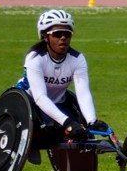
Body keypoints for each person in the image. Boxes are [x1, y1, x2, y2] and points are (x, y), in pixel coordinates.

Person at [15, 9, 109, 147]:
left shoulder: (77, 59)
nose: (63, 38)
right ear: (45, 36)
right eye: (57, 34)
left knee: (82, 132)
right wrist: (67, 123)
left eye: (67, 34)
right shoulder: (35, 58)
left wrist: (91, 121)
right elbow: (40, 97)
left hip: (58, 103)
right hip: (30, 103)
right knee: (59, 128)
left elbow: (83, 94)